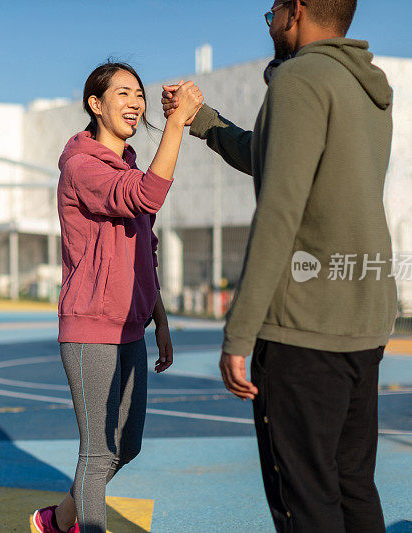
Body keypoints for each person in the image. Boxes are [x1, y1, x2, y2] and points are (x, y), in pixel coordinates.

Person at [163, 1, 396, 531]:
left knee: (305, 501)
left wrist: (239, 333)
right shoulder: (367, 85)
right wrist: (205, 122)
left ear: (296, 10)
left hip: (303, 328)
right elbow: (269, 154)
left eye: (271, 10)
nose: (267, 22)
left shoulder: (298, 82)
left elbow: (279, 211)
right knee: (352, 485)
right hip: (363, 317)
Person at [32, 62, 203, 533]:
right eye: (123, 93)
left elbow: (144, 248)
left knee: (126, 447)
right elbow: (147, 196)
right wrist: (176, 124)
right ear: (95, 104)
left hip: (131, 323)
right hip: (90, 324)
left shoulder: (124, 163)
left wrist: (160, 316)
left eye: (140, 95)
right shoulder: (83, 167)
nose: (135, 103)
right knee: (97, 451)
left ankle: (55, 521)